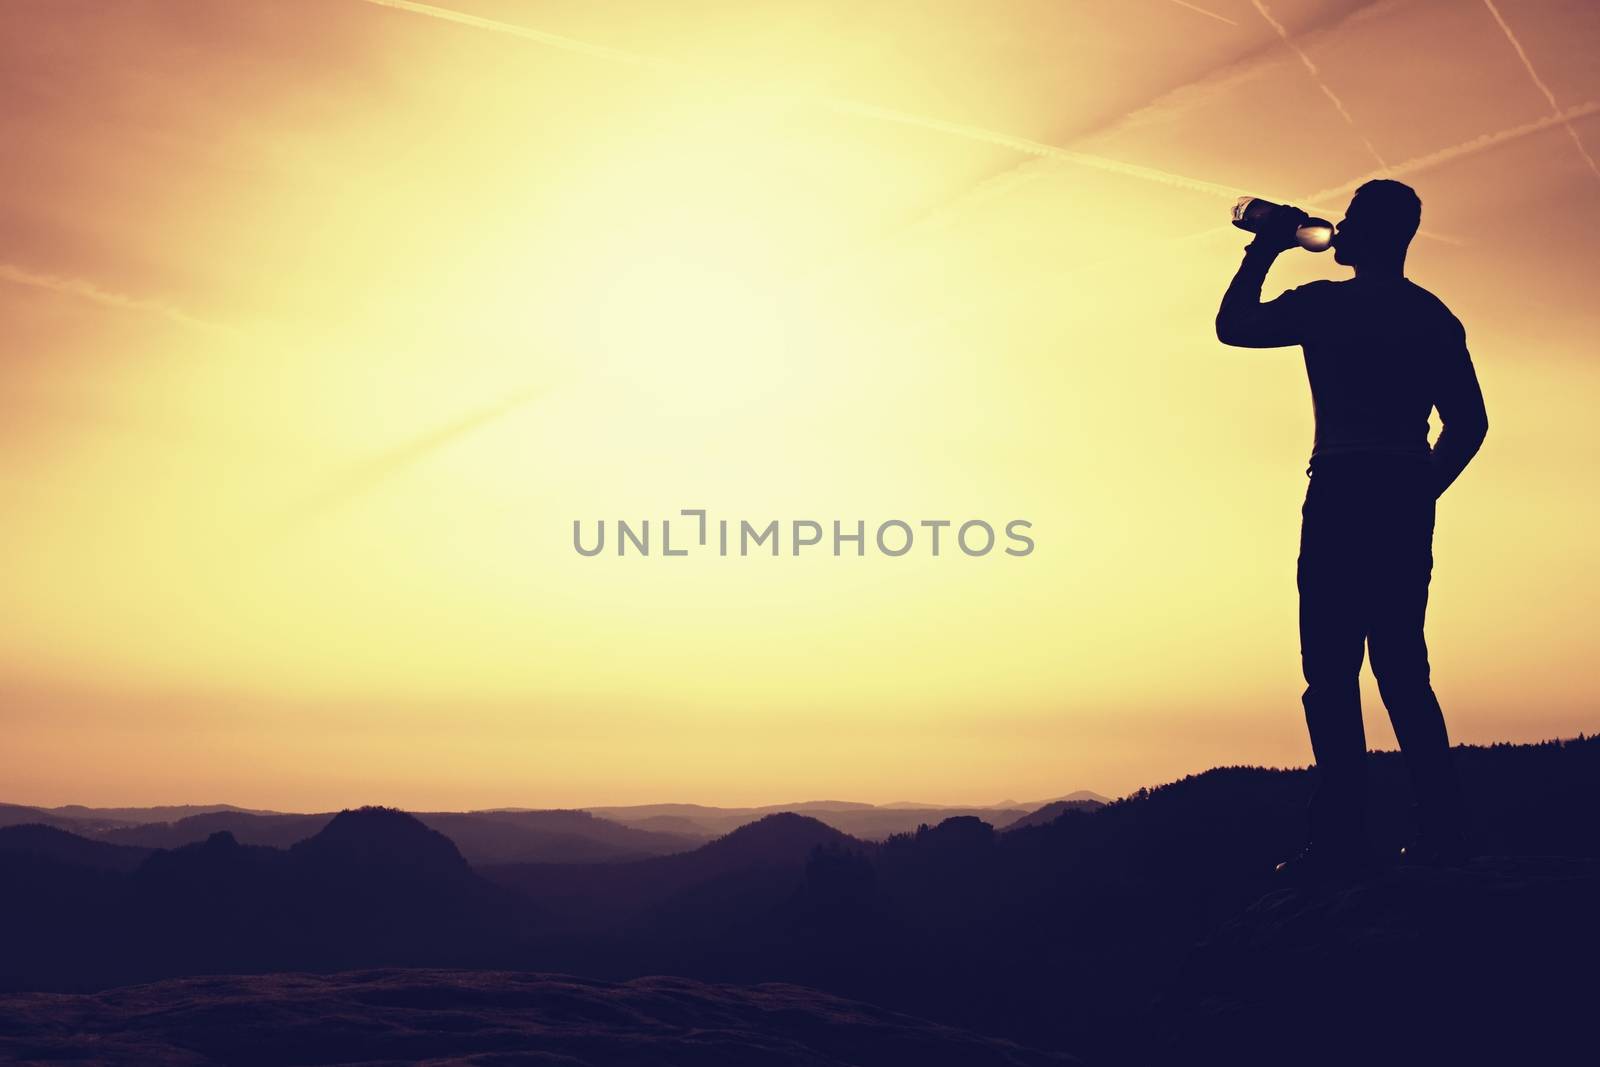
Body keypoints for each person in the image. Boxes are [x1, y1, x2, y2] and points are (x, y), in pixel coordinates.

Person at [1215, 179, 1488, 879]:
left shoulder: (1326, 305)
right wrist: (1421, 489)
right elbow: (1470, 423)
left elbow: (1234, 325)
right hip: (1399, 491)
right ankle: (1445, 832)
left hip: (1340, 489)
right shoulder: (1432, 315)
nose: (1338, 226)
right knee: (1401, 669)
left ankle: (1342, 839)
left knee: (1331, 672)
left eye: (1352, 219)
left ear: (1371, 234)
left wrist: (1264, 250)